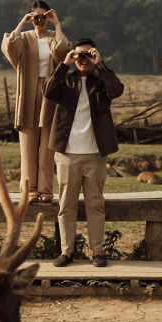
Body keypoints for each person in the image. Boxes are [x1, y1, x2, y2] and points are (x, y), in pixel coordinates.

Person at [44, 38, 123, 267]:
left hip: (95, 154)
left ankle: (97, 251)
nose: (83, 59)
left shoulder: (101, 83)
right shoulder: (65, 82)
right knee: (66, 205)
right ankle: (66, 252)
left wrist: (101, 65)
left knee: (95, 204)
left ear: (95, 55)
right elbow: (48, 91)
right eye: (80, 55)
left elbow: (117, 90)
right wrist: (64, 64)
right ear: (73, 57)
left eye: (88, 54)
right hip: (68, 153)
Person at [1, 0, 69, 202]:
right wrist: (22, 23)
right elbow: (9, 47)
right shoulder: (23, 38)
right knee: (28, 146)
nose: (40, 20)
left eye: (43, 16)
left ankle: (46, 190)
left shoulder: (52, 37)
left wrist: (56, 24)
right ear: (31, 18)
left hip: (50, 92)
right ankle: (30, 190)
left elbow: (63, 52)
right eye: (35, 17)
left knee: (48, 146)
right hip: (27, 92)